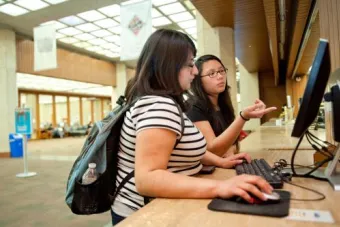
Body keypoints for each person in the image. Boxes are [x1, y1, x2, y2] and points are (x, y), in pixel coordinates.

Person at [111, 29, 274, 225]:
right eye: (190, 64)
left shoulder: (166, 103)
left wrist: (221, 163)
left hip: (158, 208)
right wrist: (220, 186)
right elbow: (148, 179)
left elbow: (185, 145)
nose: (195, 71)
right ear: (168, 66)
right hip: (144, 215)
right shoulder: (159, 107)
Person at [187, 54, 276, 157]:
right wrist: (243, 117)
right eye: (211, 73)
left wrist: (228, 149)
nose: (220, 76)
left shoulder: (222, 105)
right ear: (199, 80)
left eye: (221, 71)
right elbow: (213, 150)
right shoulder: (193, 107)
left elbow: (236, 145)